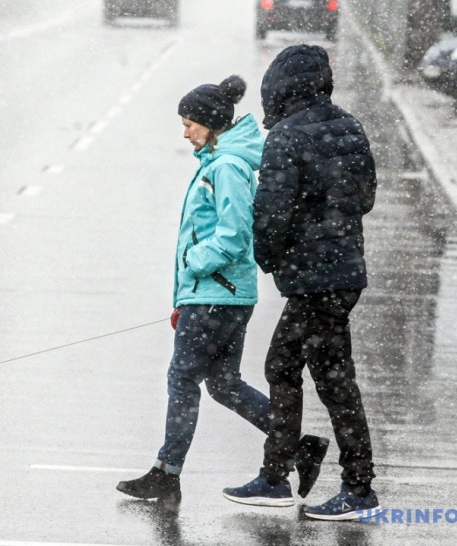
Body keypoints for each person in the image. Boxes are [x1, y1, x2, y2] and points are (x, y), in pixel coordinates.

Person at [116, 75, 329, 505]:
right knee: (224, 385)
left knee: (182, 378)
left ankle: (166, 472)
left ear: (212, 124)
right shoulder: (220, 162)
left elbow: (233, 235)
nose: (185, 131)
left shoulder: (226, 168)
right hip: (220, 294)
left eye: (190, 123)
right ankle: (300, 446)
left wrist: (194, 265)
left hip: (216, 293)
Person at [221, 45, 381, 520]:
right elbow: (365, 197)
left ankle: (344, 486)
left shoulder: (286, 137)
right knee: (319, 373)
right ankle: (286, 476)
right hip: (344, 272)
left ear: (280, 87)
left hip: (314, 279)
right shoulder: (350, 125)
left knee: (307, 374)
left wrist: (270, 257)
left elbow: (270, 214)